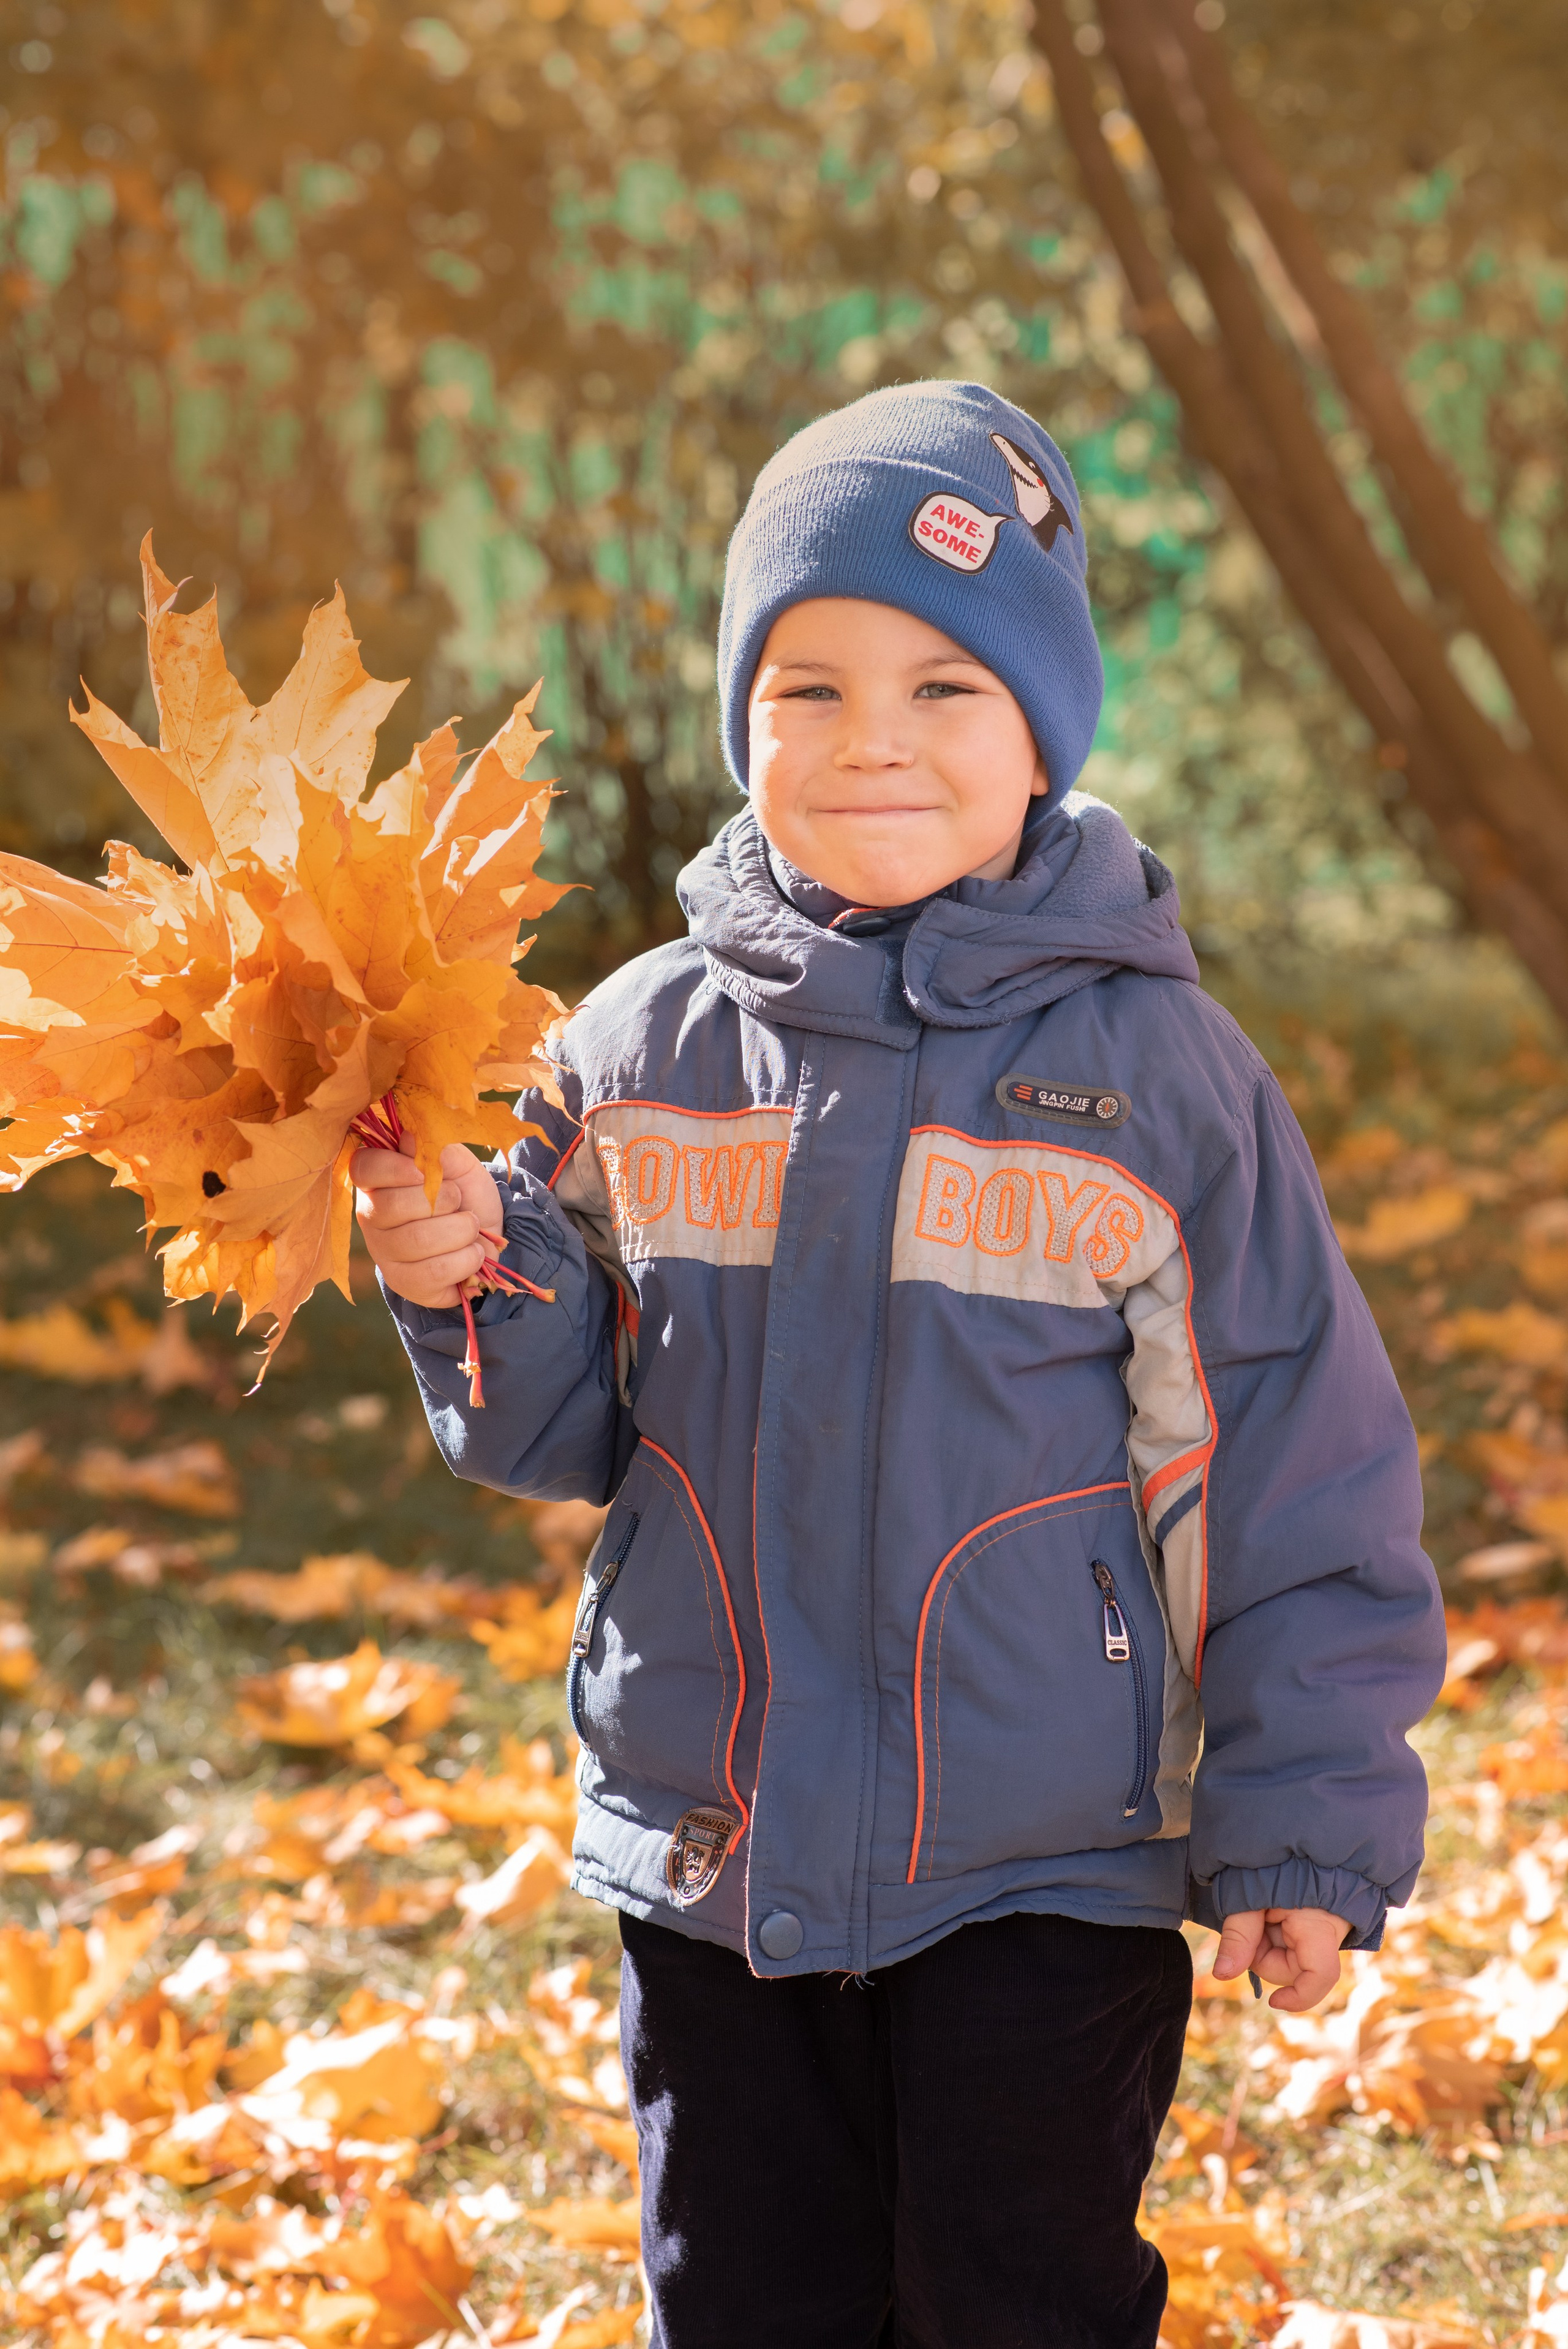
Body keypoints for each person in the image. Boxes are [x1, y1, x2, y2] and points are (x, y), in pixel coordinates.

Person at [354, 380, 1446, 2348]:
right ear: (741, 722)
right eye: (810, 688)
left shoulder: (1158, 1082)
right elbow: (575, 1415)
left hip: (1045, 1862)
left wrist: (1303, 1812)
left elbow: (1291, 1456)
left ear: (1047, 726)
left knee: (1014, 2298)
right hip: (718, 1843)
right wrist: (462, 1279)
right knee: (749, 2296)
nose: (874, 741)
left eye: (947, 688)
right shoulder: (635, 1048)